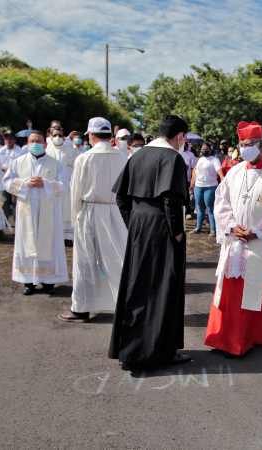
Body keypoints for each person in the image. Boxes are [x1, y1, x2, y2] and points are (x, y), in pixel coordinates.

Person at [109, 115, 191, 371]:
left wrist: (133, 223)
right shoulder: (173, 158)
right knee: (163, 288)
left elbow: (121, 197)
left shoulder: (137, 155)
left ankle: (131, 350)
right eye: (184, 138)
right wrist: (177, 232)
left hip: (139, 226)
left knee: (136, 286)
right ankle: (159, 351)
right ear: (179, 136)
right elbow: (170, 200)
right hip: (163, 229)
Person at [205, 121, 262, 357]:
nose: (245, 148)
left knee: (260, 290)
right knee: (233, 292)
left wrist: (258, 231)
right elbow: (220, 201)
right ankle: (227, 338)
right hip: (236, 241)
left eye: (250, 144)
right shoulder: (234, 171)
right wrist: (232, 226)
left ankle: (257, 336)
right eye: (242, 144)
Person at [59, 117, 128, 322]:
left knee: (85, 261)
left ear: (91, 134)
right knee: (118, 258)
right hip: (116, 211)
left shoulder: (85, 158)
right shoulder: (122, 157)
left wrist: (75, 218)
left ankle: (81, 307)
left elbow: (76, 191)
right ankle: (124, 304)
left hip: (89, 210)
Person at [3, 131, 68, 296]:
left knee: (48, 243)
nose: (35, 143)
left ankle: (48, 281)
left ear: (45, 143)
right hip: (27, 210)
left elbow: (64, 185)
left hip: (49, 211)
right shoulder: (18, 162)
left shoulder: (56, 163)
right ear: (27, 142)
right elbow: (7, 182)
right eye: (32, 141)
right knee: (27, 243)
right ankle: (28, 281)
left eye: (38, 141)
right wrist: (25, 184)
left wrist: (45, 184)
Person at [45, 126, 79, 246]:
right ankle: (54, 236)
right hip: (52, 186)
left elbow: (76, 166)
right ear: (50, 137)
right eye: (55, 135)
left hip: (67, 186)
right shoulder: (47, 150)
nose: (57, 138)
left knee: (67, 211)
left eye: (60, 135)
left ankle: (68, 236)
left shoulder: (70, 150)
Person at [191, 142, 222, 235]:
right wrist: (192, 184)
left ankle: (213, 230)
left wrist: (223, 180)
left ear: (210, 149)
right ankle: (198, 228)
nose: (204, 150)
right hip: (198, 187)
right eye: (202, 148)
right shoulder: (200, 159)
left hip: (210, 187)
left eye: (206, 148)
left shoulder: (215, 160)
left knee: (210, 209)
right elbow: (195, 172)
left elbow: (219, 172)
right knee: (199, 208)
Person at [0, 129, 25, 220]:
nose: (8, 141)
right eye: (6, 139)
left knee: (16, 202)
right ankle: (5, 222)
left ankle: (17, 221)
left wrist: (9, 169)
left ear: (14, 140)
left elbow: (22, 166)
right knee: (4, 202)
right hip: (3, 181)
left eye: (10, 139)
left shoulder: (20, 152)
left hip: (16, 181)